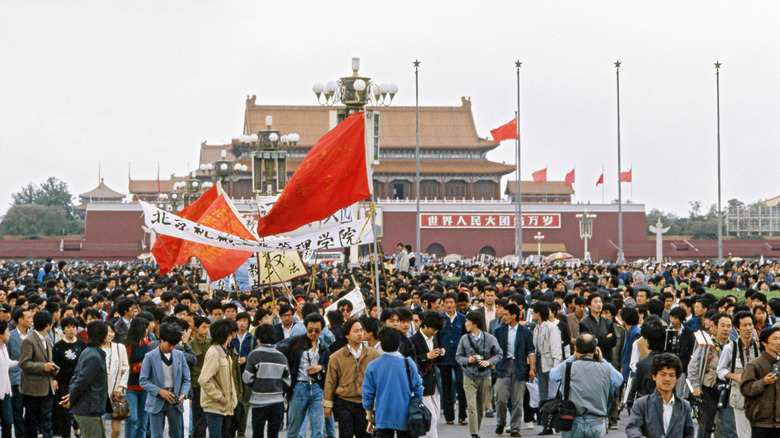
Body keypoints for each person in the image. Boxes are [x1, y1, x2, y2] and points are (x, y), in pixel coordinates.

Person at [550, 333, 623, 438]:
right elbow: (618, 380)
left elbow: (553, 375)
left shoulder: (568, 367)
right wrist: (602, 359)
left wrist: (572, 357)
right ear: (595, 350)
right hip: (597, 421)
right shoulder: (604, 368)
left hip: (573, 420)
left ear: (575, 348)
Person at [362, 327, 424, 438]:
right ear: (399, 344)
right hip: (406, 416)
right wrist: (417, 405)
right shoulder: (408, 363)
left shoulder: (373, 366)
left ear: (380, 344)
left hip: (383, 416)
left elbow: (367, 394)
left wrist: (370, 417)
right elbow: (418, 388)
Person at [276, 312, 331, 438]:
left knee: (318, 429)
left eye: (317, 331)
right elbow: (278, 348)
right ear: (305, 328)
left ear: (322, 330)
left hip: (317, 388)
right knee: (294, 428)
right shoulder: (296, 341)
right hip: (299, 387)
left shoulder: (323, 346)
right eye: (310, 330)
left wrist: (320, 367)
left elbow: (329, 366)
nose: (313, 333)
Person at [323, 319, 380, 438]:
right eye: (355, 331)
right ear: (347, 335)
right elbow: (330, 382)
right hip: (344, 401)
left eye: (361, 331)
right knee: (345, 434)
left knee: (365, 434)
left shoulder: (373, 354)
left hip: (365, 403)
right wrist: (328, 404)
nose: (360, 334)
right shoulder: (336, 357)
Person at [687, 312, 737, 438]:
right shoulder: (707, 346)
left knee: (730, 428)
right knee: (705, 428)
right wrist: (696, 386)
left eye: (728, 326)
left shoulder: (734, 347)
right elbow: (693, 366)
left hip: (727, 392)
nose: (725, 329)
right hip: (708, 391)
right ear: (716, 328)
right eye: (722, 326)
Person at [139, 322, 192, 438]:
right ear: (161, 339)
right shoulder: (150, 356)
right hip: (156, 400)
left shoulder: (180, 355)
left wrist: (183, 394)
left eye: (175, 344)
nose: (172, 347)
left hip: (175, 400)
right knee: (156, 435)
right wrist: (159, 391)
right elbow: (143, 380)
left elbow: (187, 379)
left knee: (176, 434)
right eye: (170, 344)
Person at [456, 310, 503, 438]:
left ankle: (476, 429)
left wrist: (488, 362)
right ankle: (474, 433)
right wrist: (468, 360)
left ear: (475, 323)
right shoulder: (464, 339)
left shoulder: (489, 338)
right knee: (471, 406)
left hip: (485, 375)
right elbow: (458, 356)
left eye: (467, 321)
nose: (465, 324)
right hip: (469, 375)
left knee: (480, 407)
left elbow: (499, 353)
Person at [626, 353, 695, 438]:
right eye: (663, 374)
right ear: (654, 376)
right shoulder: (642, 404)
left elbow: (689, 434)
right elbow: (632, 427)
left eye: (671, 375)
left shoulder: (684, 406)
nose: (667, 379)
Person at [62, 321, 110, 438]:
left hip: (91, 408)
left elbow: (77, 378)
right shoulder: (94, 356)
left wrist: (71, 396)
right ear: (103, 336)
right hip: (88, 408)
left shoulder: (88, 352)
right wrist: (72, 398)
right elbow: (81, 381)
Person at [717, 310, 761, 438]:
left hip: (758, 395)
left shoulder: (759, 346)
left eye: (750, 324)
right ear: (737, 328)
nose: (748, 328)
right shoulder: (730, 348)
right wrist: (736, 377)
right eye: (745, 325)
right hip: (739, 395)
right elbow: (720, 371)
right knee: (744, 434)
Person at [493, 303, 535, 437]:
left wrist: (532, 368)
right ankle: (501, 422)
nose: (503, 316)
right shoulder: (499, 331)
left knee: (517, 399)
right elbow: (494, 349)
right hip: (503, 365)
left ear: (514, 315)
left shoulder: (526, 332)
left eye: (506, 314)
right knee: (501, 398)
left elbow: (530, 351)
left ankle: (515, 427)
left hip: (519, 365)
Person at [243, 323, 290, 438]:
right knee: (273, 434)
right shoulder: (281, 357)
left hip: (259, 402)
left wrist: (258, 384)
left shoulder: (254, 355)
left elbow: (247, 378)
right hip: (277, 402)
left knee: (257, 433)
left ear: (258, 339)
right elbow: (287, 382)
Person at [19, 310, 57, 438]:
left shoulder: (46, 340)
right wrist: (43, 367)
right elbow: (24, 363)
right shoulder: (29, 340)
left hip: (47, 387)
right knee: (31, 421)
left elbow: (48, 360)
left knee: (47, 421)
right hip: (33, 389)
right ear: (48, 324)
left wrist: (53, 368)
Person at [198, 318, 239, 438]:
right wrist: (219, 397)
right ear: (228, 334)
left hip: (225, 407)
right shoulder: (214, 353)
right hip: (215, 407)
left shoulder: (223, 351)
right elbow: (204, 379)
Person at [739, 326, 780, 438]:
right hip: (761, 423)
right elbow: (745, 389)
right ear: (764, 343)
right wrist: (763, 382)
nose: (778, 342)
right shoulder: (754, 365)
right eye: (775, 339)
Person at [52, 316, 88, 438]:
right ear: (63, 329)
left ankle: (77, 429)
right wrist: (54, 379)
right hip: (63, 382)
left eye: (73, 327)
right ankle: (66, 435)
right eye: (68, 327)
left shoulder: (82, 344)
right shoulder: (58, 346)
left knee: (79, 409)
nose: (71, 330)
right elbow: (54, 364)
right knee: (64, 412)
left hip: (78, 382)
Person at [436, 292, 468, 425]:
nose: (449, 305)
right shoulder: (439, 319)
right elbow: (436, 337)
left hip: (460, 358)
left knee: (462, 385)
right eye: (446, 302)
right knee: (447, 387)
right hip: (444, 358)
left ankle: (462, 415)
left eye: (451, 302)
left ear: (455, 303)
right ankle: (449, 417)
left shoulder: (463, 318)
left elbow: (467, 337)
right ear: (443, 304)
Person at [531, 301, 562, 435]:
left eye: (533, 312)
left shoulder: (552, 328)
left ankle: (553, 422)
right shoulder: (536, 328)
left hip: (549, 364)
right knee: (543, 395)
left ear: (538, 313)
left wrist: (556, 369)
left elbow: (556, 350)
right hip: (540, 363)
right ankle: (546, 424)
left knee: (552, 395)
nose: (531, 314)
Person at [8, 308, 31, 438]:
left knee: (31, 411)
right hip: (16, 379)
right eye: (28, 317)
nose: (31, 320)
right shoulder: (10, 336)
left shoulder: (33, 334)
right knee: (17, 411)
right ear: (20, 320)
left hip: (32, 379)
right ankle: (20, 435)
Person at [189, 315, 211, 438]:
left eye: (208, 327)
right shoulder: (191, 345)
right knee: (198, 415)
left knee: (209, 414)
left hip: (209, 385)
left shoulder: (210, 343)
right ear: (196, 328)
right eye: (204, 327)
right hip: (196, 385)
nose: (206, 330)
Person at [0, 320, 18, 438]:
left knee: (8, 422)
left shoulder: (4, 347)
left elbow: (7, 363)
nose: (9, 334)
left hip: (5, 392)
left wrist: (19, 362)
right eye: (7, 331)